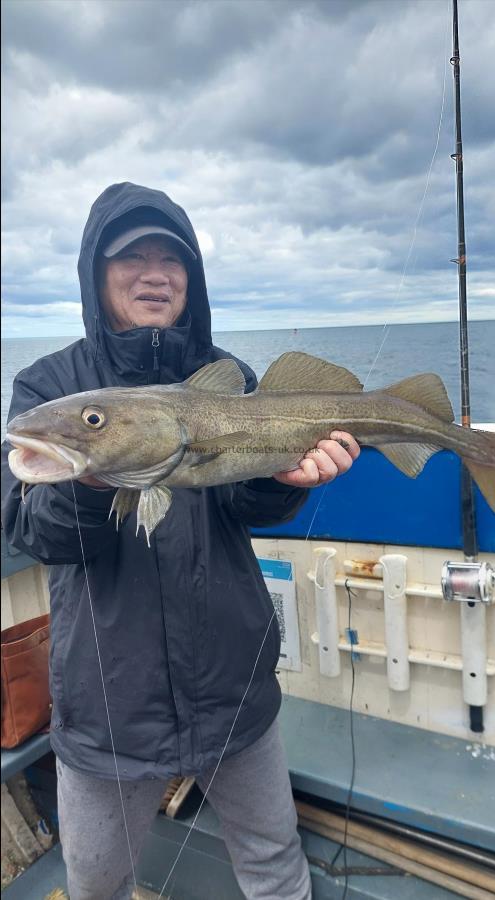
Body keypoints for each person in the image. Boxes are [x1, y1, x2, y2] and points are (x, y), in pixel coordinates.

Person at [1, 182, 360, 900]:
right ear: (95, 274)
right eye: (132, 256)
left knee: (272, 857)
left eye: (174, 259)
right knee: (97, 879)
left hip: (230, 675)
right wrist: (94, 478)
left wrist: (292, 480)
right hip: (109, 699)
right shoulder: (51, 389)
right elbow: (27, 526)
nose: (156, 273)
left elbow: (248, 504)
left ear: (191, 280)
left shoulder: (230, 381)